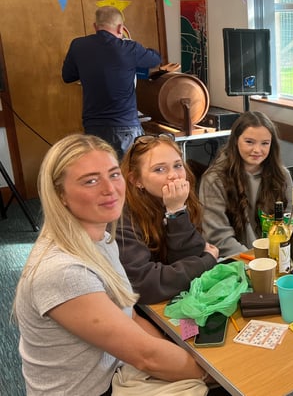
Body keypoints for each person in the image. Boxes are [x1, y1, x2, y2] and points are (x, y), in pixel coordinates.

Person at [13, 134, 209, 395]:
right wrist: (214, 373)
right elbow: (146, 356)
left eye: (113, 175)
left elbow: (133, 316)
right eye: (91, 181)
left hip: (118, 371)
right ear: (60, 194)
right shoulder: (63, 271)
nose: (109, 189)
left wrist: (179, 352)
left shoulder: (102, 239)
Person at [117, 133, 219, 304]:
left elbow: (188, 258)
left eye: (178, 165)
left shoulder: (180, 201)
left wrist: (176, 211)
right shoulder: (122, 218)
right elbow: (144, 283)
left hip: (177, 299)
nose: (174, 175)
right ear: (136, 180)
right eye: (159, 169)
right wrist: (206, 261)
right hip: (140, 309)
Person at [61, 6, 162, 158]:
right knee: (130, 173)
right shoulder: (129, 48)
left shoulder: (78, 45)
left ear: (96, 26)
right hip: (126, 126)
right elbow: (155, 59)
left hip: (94, 127)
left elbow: (67, 76)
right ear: (121, 28)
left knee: (102, 171)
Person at [199, 111, 293, 257]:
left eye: (264, 143)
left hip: (277, 255)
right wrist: (254, 260)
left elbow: (290, 222)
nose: (257, 150)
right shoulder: (214, 179)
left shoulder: (282, 175)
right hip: (236, 260)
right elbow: (219, 237)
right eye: (249, 142)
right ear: (236, 140)